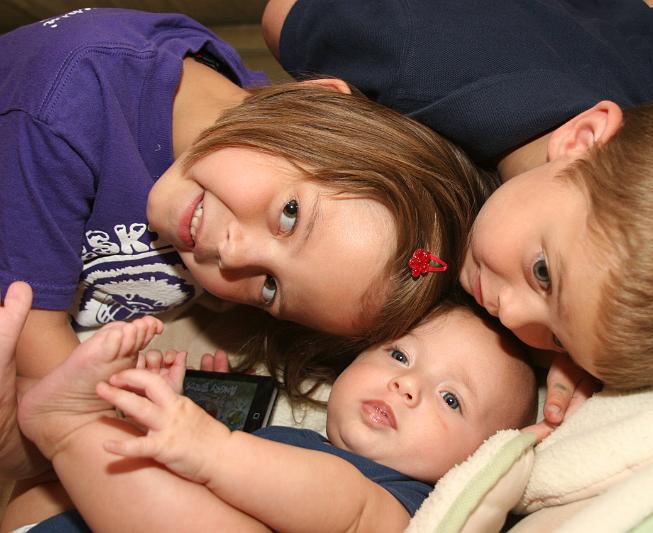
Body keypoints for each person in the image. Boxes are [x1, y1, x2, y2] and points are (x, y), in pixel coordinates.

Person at [0, 7, 493, 528]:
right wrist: (114, 425)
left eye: (270, 287)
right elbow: (49, 402)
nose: (234, 256)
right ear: (312, 107)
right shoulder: (60, 107)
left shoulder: (238, 135)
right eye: (290, 215)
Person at [262, 0, 653, 407]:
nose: (511, 314)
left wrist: (568, 345)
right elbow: (281, 14)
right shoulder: (422, 57)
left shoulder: (624, 148)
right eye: (543, 273)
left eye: (557, 335)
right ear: (582, 140)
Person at [14, 291, 539, 532]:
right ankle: (72, 435)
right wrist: (165, 421)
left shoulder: (408, 504)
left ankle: (67, 428)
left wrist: (212, 448)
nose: (406, 385)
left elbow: (342, 505)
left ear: (477, 457)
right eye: (400, 356)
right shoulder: (286, 439)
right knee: (43, 490)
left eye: (451, 399)